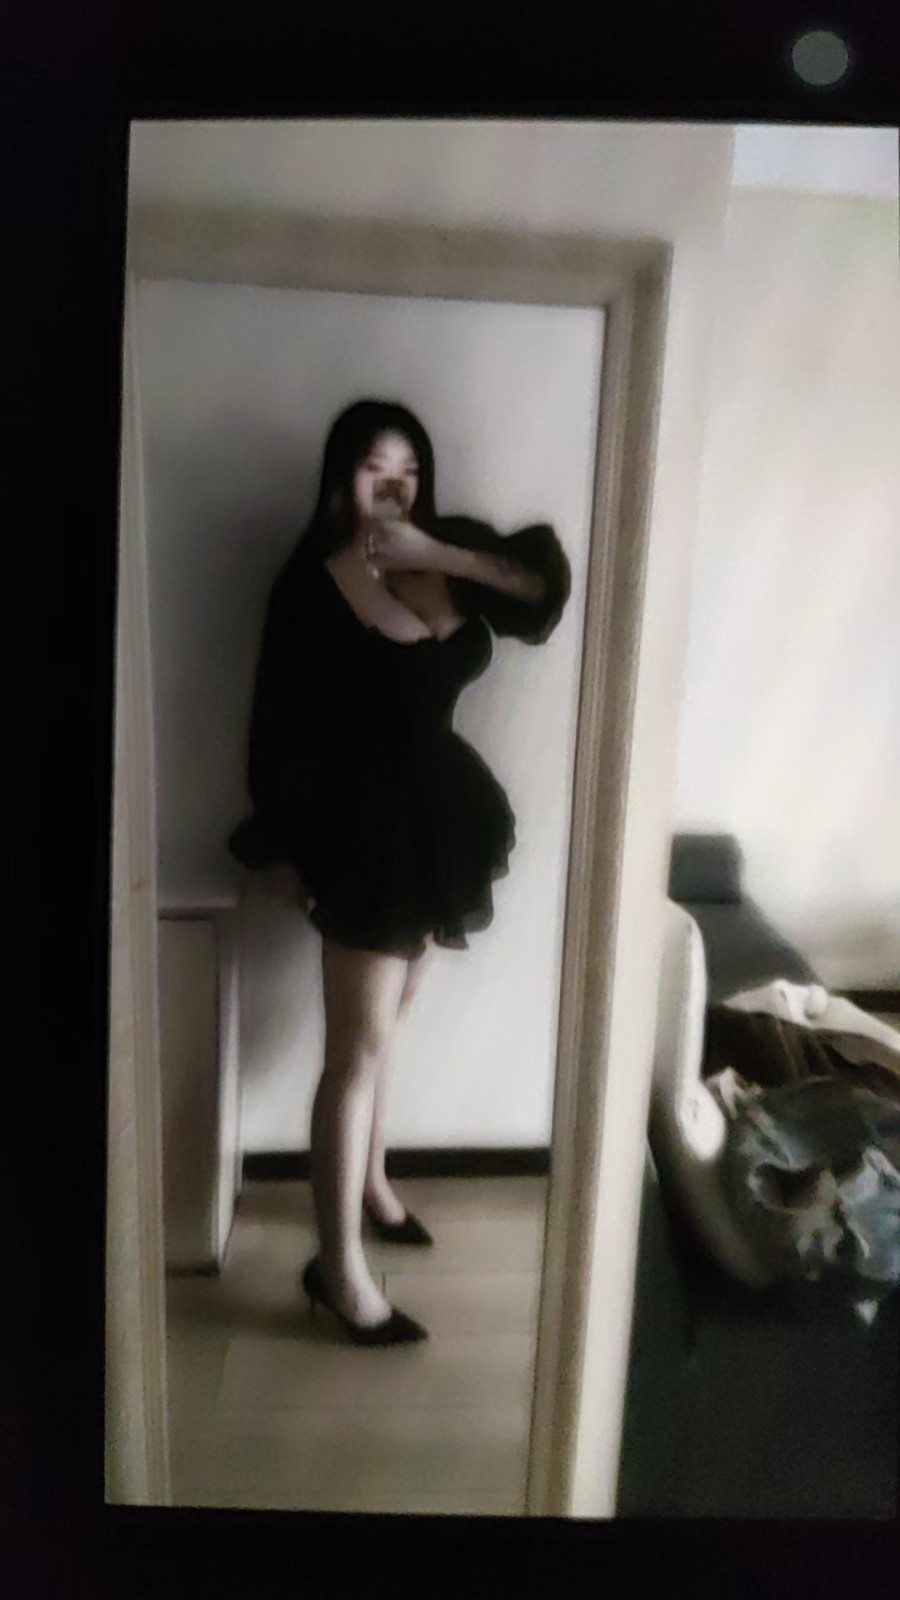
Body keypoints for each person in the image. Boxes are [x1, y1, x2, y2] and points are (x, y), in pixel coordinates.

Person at [228, 399, 570, 1345]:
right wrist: (284, 849)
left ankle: (373, 1186)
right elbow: (276, 722)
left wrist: (438, 551)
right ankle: (337, 1271)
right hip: (363, 835)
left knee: (391, 1030)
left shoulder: (448, 551)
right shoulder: (310, 582)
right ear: (341, 475)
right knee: (355, 1051)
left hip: (440, 827)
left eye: (409, 469)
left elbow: (541, 594)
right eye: (375, 468)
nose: (394, 485)